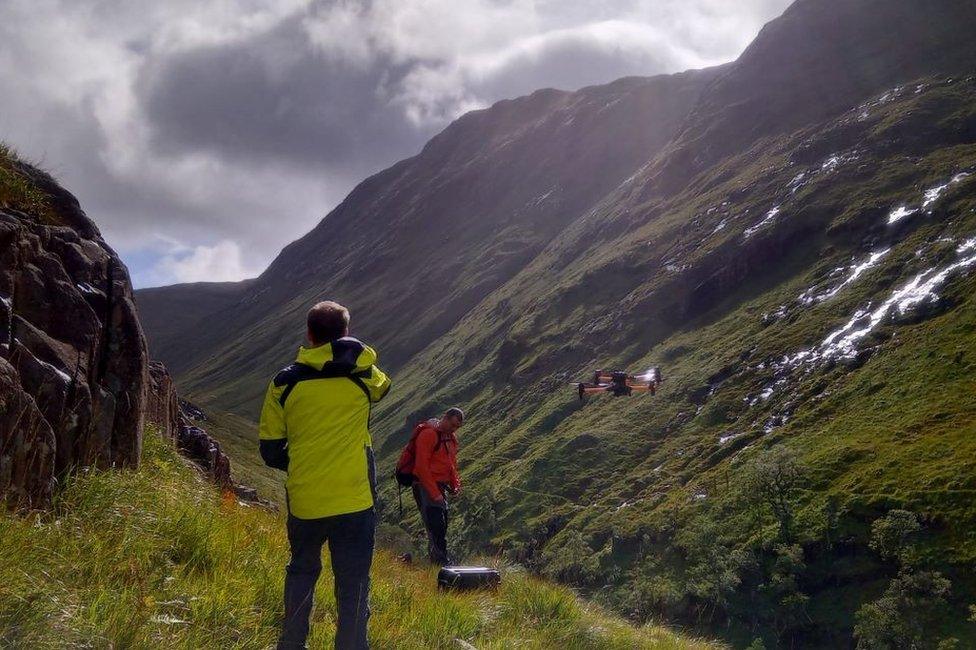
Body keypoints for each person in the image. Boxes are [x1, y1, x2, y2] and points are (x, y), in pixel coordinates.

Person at [259, 300, 391, 650]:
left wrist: (305, 464)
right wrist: (354, 352)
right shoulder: (364, 377)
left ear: (309, 333)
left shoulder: (283, 383)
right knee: (353, 582)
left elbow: (270, 450)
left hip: (305, 498)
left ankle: (292, 644)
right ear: (344, 334)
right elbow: (384, 385)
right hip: (354, 498)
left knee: (302, 571)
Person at [411, 408, 463, 565]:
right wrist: (435, 493)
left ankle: (438, 562)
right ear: (445, 418)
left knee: (442, 524)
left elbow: (450, 464)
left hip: (440, 486)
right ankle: (441, 562)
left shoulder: (450, 439)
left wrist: (454, 484)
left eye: (457, 427)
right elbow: (421, 467)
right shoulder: (428, 434)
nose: (454, 429)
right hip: (424, 485)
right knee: (436, 524)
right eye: (452, 424)